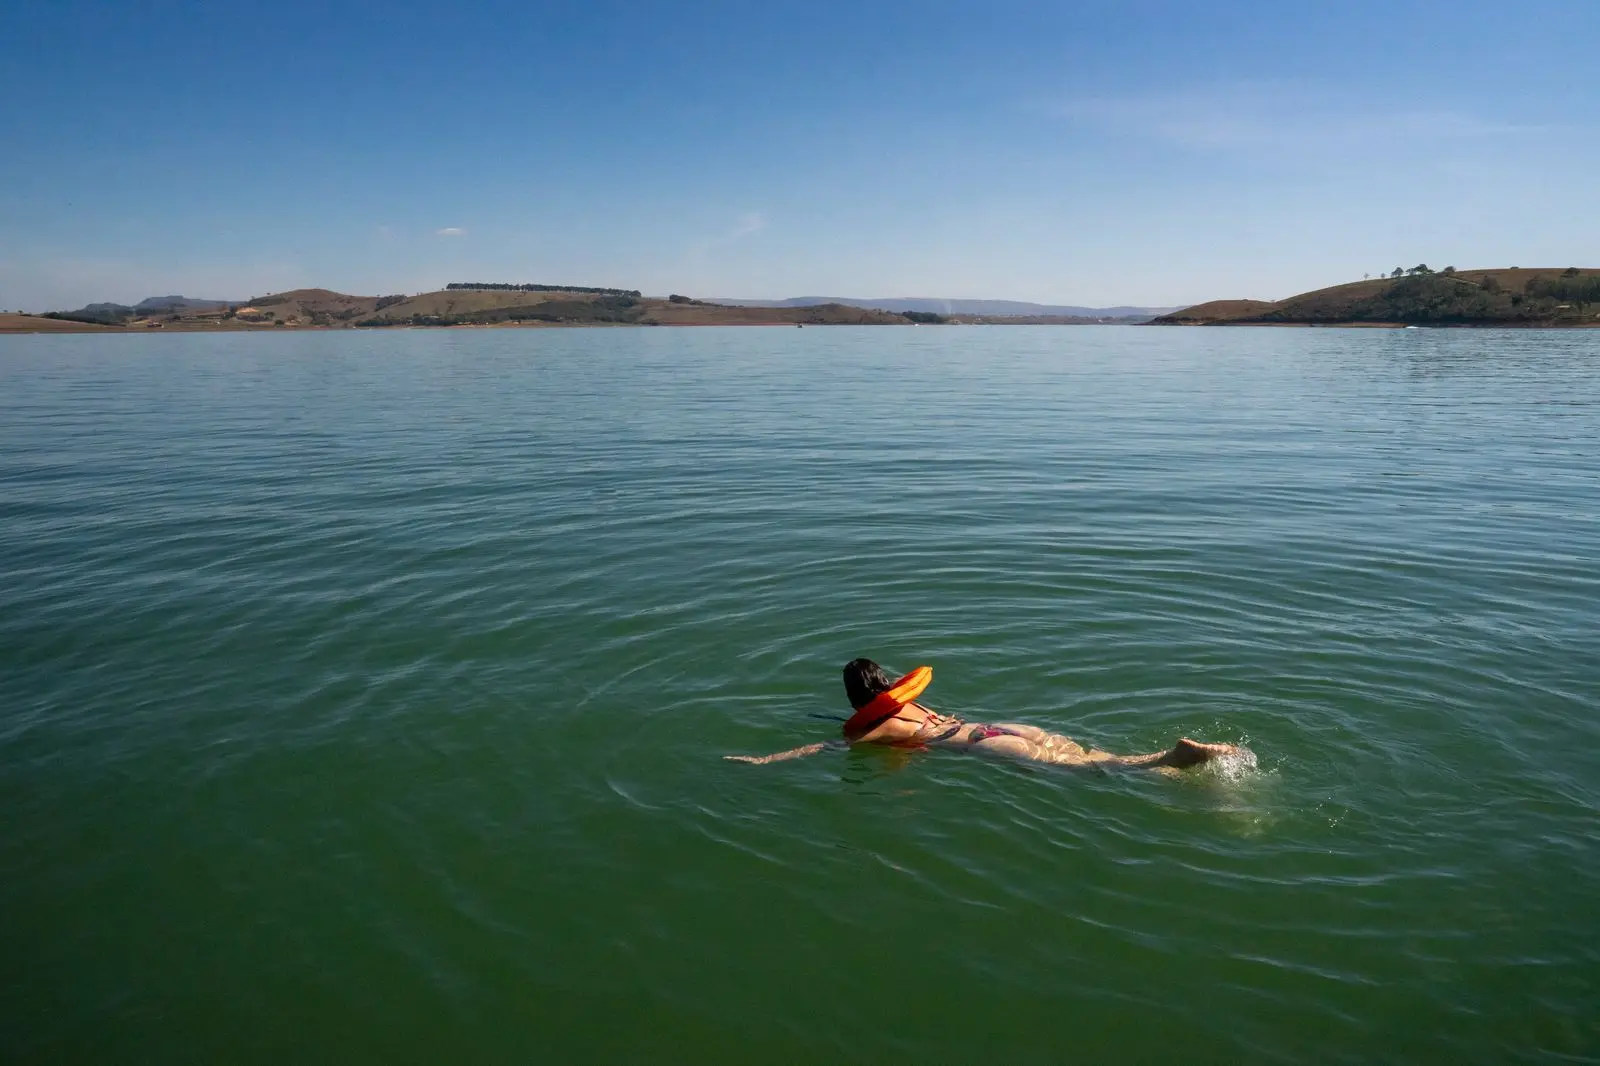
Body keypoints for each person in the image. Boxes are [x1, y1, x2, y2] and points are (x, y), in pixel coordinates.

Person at [725, 658, 1249, 771]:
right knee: (1084, 753)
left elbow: (828, 746)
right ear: (886, 684)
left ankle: (1171, 758)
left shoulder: (879, 724)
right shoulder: (910, 701)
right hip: (996, 725)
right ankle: (1165, 763)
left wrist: (767, 758)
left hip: (981, 746)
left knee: (1091, 770)